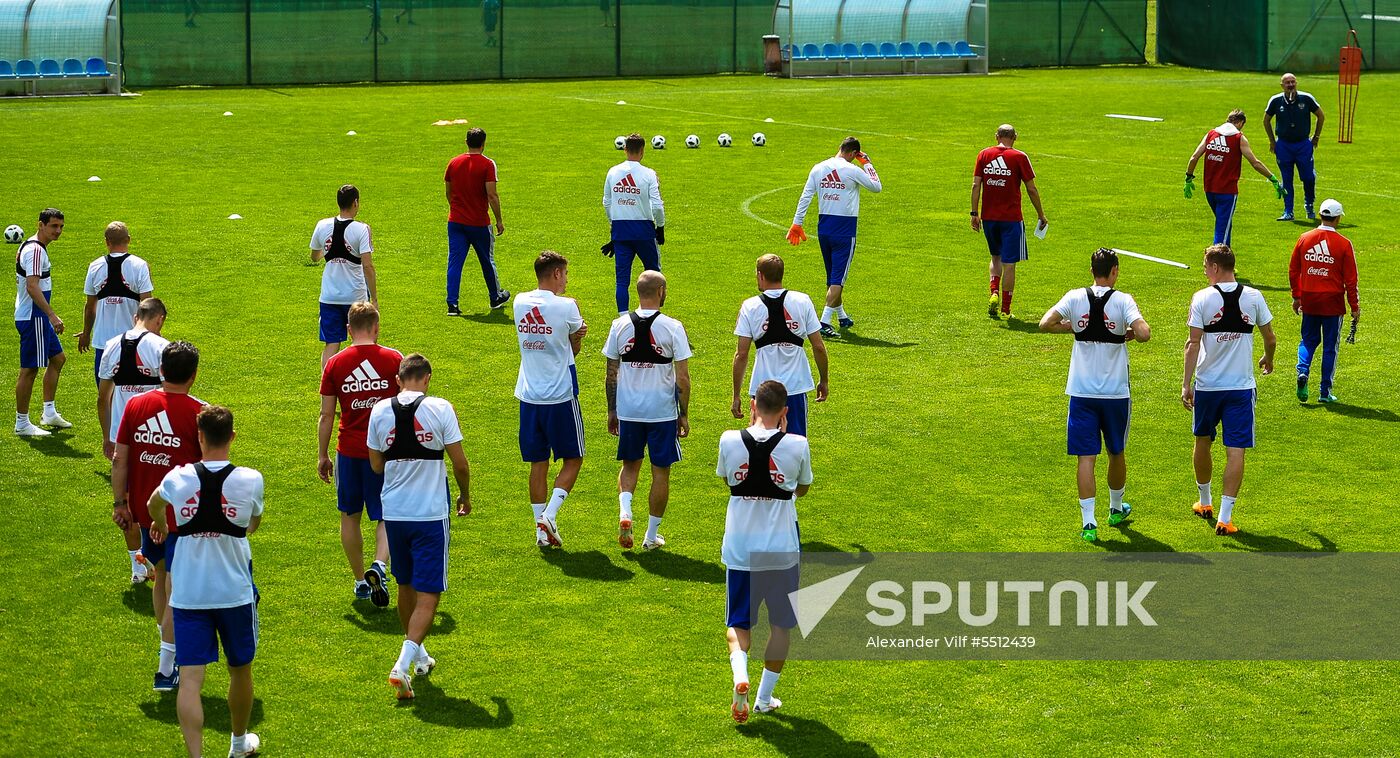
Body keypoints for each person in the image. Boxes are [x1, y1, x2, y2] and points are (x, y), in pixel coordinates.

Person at [146, 405, 263, 758]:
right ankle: (238, 743)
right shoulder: (250, 479)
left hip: (188, 595)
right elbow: (251, 524)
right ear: (232, 437)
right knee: (240, 670)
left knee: (191, 679)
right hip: (234, 593)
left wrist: (165, 524)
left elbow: (153, 504)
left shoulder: (178, 478)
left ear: (199, 437)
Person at [366, 354, 472, 700]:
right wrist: (465, 496)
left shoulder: (379, 412)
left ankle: (421, 657)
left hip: (394, 513)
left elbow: (376, 464)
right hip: (429, 515)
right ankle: (401, 664)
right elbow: (460, 464)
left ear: (399, 379)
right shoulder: (440, 408)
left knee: (405, 585)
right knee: (430, 594)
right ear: (427, 378)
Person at [1038, 249, 1151, 542]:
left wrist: (1073, 328)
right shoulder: (1123, 300)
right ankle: (1115, 509)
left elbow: (1045, 323)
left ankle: (1089, 523)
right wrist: (1127, 333)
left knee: (1086, 459)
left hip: (1081, 392)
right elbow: (1145, 332)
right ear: (1114, 271)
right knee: (1116, 452)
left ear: (1091, 271)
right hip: (1115, 393)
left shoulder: (1075, 297)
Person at [112, 340, 205, 691]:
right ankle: (167, 666)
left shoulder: (136, 406)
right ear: (194, 375)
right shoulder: (201, 413)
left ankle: (166, 647)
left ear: (160, 370)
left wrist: (121, 505)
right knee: (177, 586)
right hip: (183, 518)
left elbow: (120, 458)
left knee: (161, 578)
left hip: (147, 515)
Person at [717, 380, 812, 723]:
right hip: (781, 550)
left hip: (741, 548)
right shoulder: (798, 444)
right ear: (785, 411)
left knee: (738, 623)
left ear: (753, 405)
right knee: (780, 627)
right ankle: (763, 697)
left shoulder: (728, 440)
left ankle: (739, 675)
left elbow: (728, 479)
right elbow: (801, 489)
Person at [1182, 244, 1277, 536]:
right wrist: (1267, 359)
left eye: (1205, 266)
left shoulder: (1201, 298)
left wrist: (1186, 384)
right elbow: (1270, 338)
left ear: (1214, 267)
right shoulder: (1254, 296)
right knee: (1236, 451)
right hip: (1240, 388)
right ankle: (1225, 517)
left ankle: (1205, 501)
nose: (1204, 270)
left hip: (1208, 386)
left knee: (1202, 441)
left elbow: (1193, 344)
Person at [318, 301, 403, 605]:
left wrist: (322, 455)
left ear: (348, 329)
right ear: (376, 327)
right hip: (386, 453)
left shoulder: (335, 364)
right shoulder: (395, 360)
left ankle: (359, 581)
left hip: (349, 451)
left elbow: (327, 415)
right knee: (388, 514)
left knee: (349, 517)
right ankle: (380, 565)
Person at [603, 271, 691, 551]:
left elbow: (611, 374)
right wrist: (684, 413)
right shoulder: (673, 327)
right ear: (661, 291)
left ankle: (625, 512)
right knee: (660, 472)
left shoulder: (618, 325)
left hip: (629, 410)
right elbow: (683, 378)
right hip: (661, 412)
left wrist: (612, 410)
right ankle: (651, 537)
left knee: (629, 466)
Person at [514, 251, 587, 547]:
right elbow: (574, 349)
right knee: (574, 458)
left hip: (529, 396)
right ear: (556, 274)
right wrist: (578, 335)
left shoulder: (519, 302)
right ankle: (550, 514)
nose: (567, 280)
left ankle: (539, 533)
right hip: (559, 396)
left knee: (538, 464)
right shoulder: (567, 306)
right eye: (566, 274)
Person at [97, 297, 169, 582]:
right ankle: (158, 563)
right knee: (157, 499)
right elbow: (169, 396)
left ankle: (136, 566)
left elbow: (103, 398)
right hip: (153, 436)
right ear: (160, 319)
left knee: (124, 503)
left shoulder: (111, 346)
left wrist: (107, 436)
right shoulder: (161, 348)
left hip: (120, 437)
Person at [786, 136, 883, 337]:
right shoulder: (853, 170)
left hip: (824, 229)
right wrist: (867, 164)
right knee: (838, 279)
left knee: (832, 277)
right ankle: (823, 321)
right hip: (845, 230)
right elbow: (876, 187)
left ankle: (841, 316)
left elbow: (806, 196)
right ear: (854, 154)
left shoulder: (818, 168)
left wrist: (797, 223)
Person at [731, 254, 828, 438]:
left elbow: (741, 355)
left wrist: (736, 395)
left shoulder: (749, 306)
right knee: (795, 445)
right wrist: (824, 380)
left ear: (760, 275)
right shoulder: (802, 301)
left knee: (760, 447)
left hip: (762, 390)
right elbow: (819, 347)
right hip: (795, 389)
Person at [971, 124, 1046, 320]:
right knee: (1009, 264)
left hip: (988, 218)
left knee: (995, 257)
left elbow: (975, 185)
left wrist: (974, 213)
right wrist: (1041, 214)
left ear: (996, 136)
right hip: (1012, 220)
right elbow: (1031, 189)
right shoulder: (1019, 157)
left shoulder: (983, 155)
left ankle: (993, 292)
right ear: (1015, 137)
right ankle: (1005, 309)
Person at [1288, 198, 1358, 403]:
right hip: (1332, 303)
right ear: (1337, 219)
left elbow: (1294, 270)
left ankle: (1302, 371)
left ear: (1320, 215)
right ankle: (1324, 392)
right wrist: (1354, 306)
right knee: (1330, 347)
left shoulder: (1304, 238)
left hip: (1309, 299)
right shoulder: (1344, 244)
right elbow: (1351, 280)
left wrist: (1296, 296)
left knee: (1308, 341)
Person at [1185, 109, 1282, 247]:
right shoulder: (1238, 138)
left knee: (1224, 225)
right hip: (1227, 192)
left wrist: (1188, 178)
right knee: (1221, 229)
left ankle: (1227, 262)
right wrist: (1273, 178)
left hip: (1209, 190)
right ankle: (1218, 265)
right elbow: (1255, 163)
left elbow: (1194, 157)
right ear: (1240, 123)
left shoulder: (1211, 134)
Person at [14, 207, 70, 437]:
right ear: (40, 225)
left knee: (58, 359)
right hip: (34, 316)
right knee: (30, 369)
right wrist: (51, 315)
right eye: (54, 226)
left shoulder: (34, 246)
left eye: (61, 227)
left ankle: (49, 412)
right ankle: (22, 423)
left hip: (34, 315)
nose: (58, 231)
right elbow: (32, 285)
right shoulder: (35, 251)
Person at [77, 221, 153, 386]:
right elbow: (147, 305)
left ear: (106, 241)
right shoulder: (140, 266)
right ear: (128, 239)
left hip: (103, 344)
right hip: (132, 343)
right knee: (131, 395)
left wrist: (85, 333)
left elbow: (90, 307)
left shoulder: (94, 266)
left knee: (104, 397)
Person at [311, 184, 377, 368]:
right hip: (355, 297)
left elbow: (315, 256)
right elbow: (368, 266)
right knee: (363, 340)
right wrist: (375, 298)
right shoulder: (362, 229)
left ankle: (327, 387)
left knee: (331, 343)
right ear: (355, 202)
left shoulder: (322, 225)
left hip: (329, 296)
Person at [444, 127, 509, 315]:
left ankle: (452, 305)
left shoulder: (453, 163)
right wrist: (499, 220)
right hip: (479, 223)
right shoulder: (487, 164)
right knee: (487, 261)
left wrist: (456, 209)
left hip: (455, 222)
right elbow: (492, 195)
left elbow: (449, 192)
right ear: (483, 143)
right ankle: (495, 297)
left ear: (466, 142)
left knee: (454, 263)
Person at [602, 133, 665, 315]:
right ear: (643, 150)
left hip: (621, 231)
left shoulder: (613, 172)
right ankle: (653, 316)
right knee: (654, 275)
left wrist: (614, 226)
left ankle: (623, 319)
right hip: (644, 231)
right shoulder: (649, 174)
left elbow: (606, 202)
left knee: (622, 280)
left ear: (624, 149)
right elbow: (657, 206)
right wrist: (660, 227)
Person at [1265, 73, 1325, 221]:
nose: (1291, 85)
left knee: (1308, 177)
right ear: (1282, 85)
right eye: (1287, 83)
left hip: (1303, 144)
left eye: (1293, 82)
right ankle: (1288, 211)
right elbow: (1266, 120)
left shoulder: (1306, 98)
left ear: (1296, 83)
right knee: (1287, 179)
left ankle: (1309, 204)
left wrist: (1316, 137)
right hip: (1284, 145)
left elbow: (1321, 116)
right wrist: (1272, 141)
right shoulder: (1276, 100)